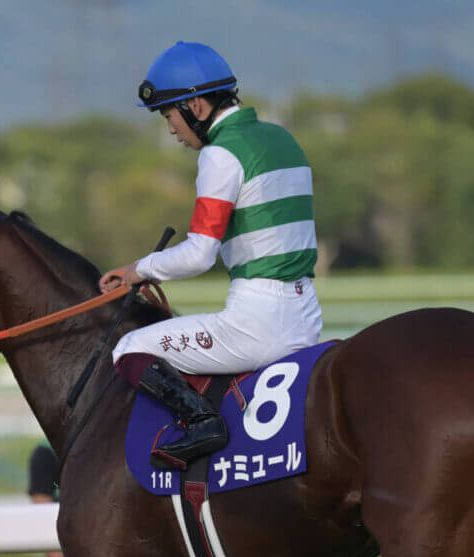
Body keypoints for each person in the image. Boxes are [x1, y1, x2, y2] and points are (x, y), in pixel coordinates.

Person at [98, 41, 323, 470]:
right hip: (307, 316)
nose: (170, 129)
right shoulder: (283, 139)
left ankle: (203, 421)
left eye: (169, 115)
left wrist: (137, 271)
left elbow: (200, 255)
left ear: (197, 106)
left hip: (257, 323)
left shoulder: (220, 153)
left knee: (128, 348)